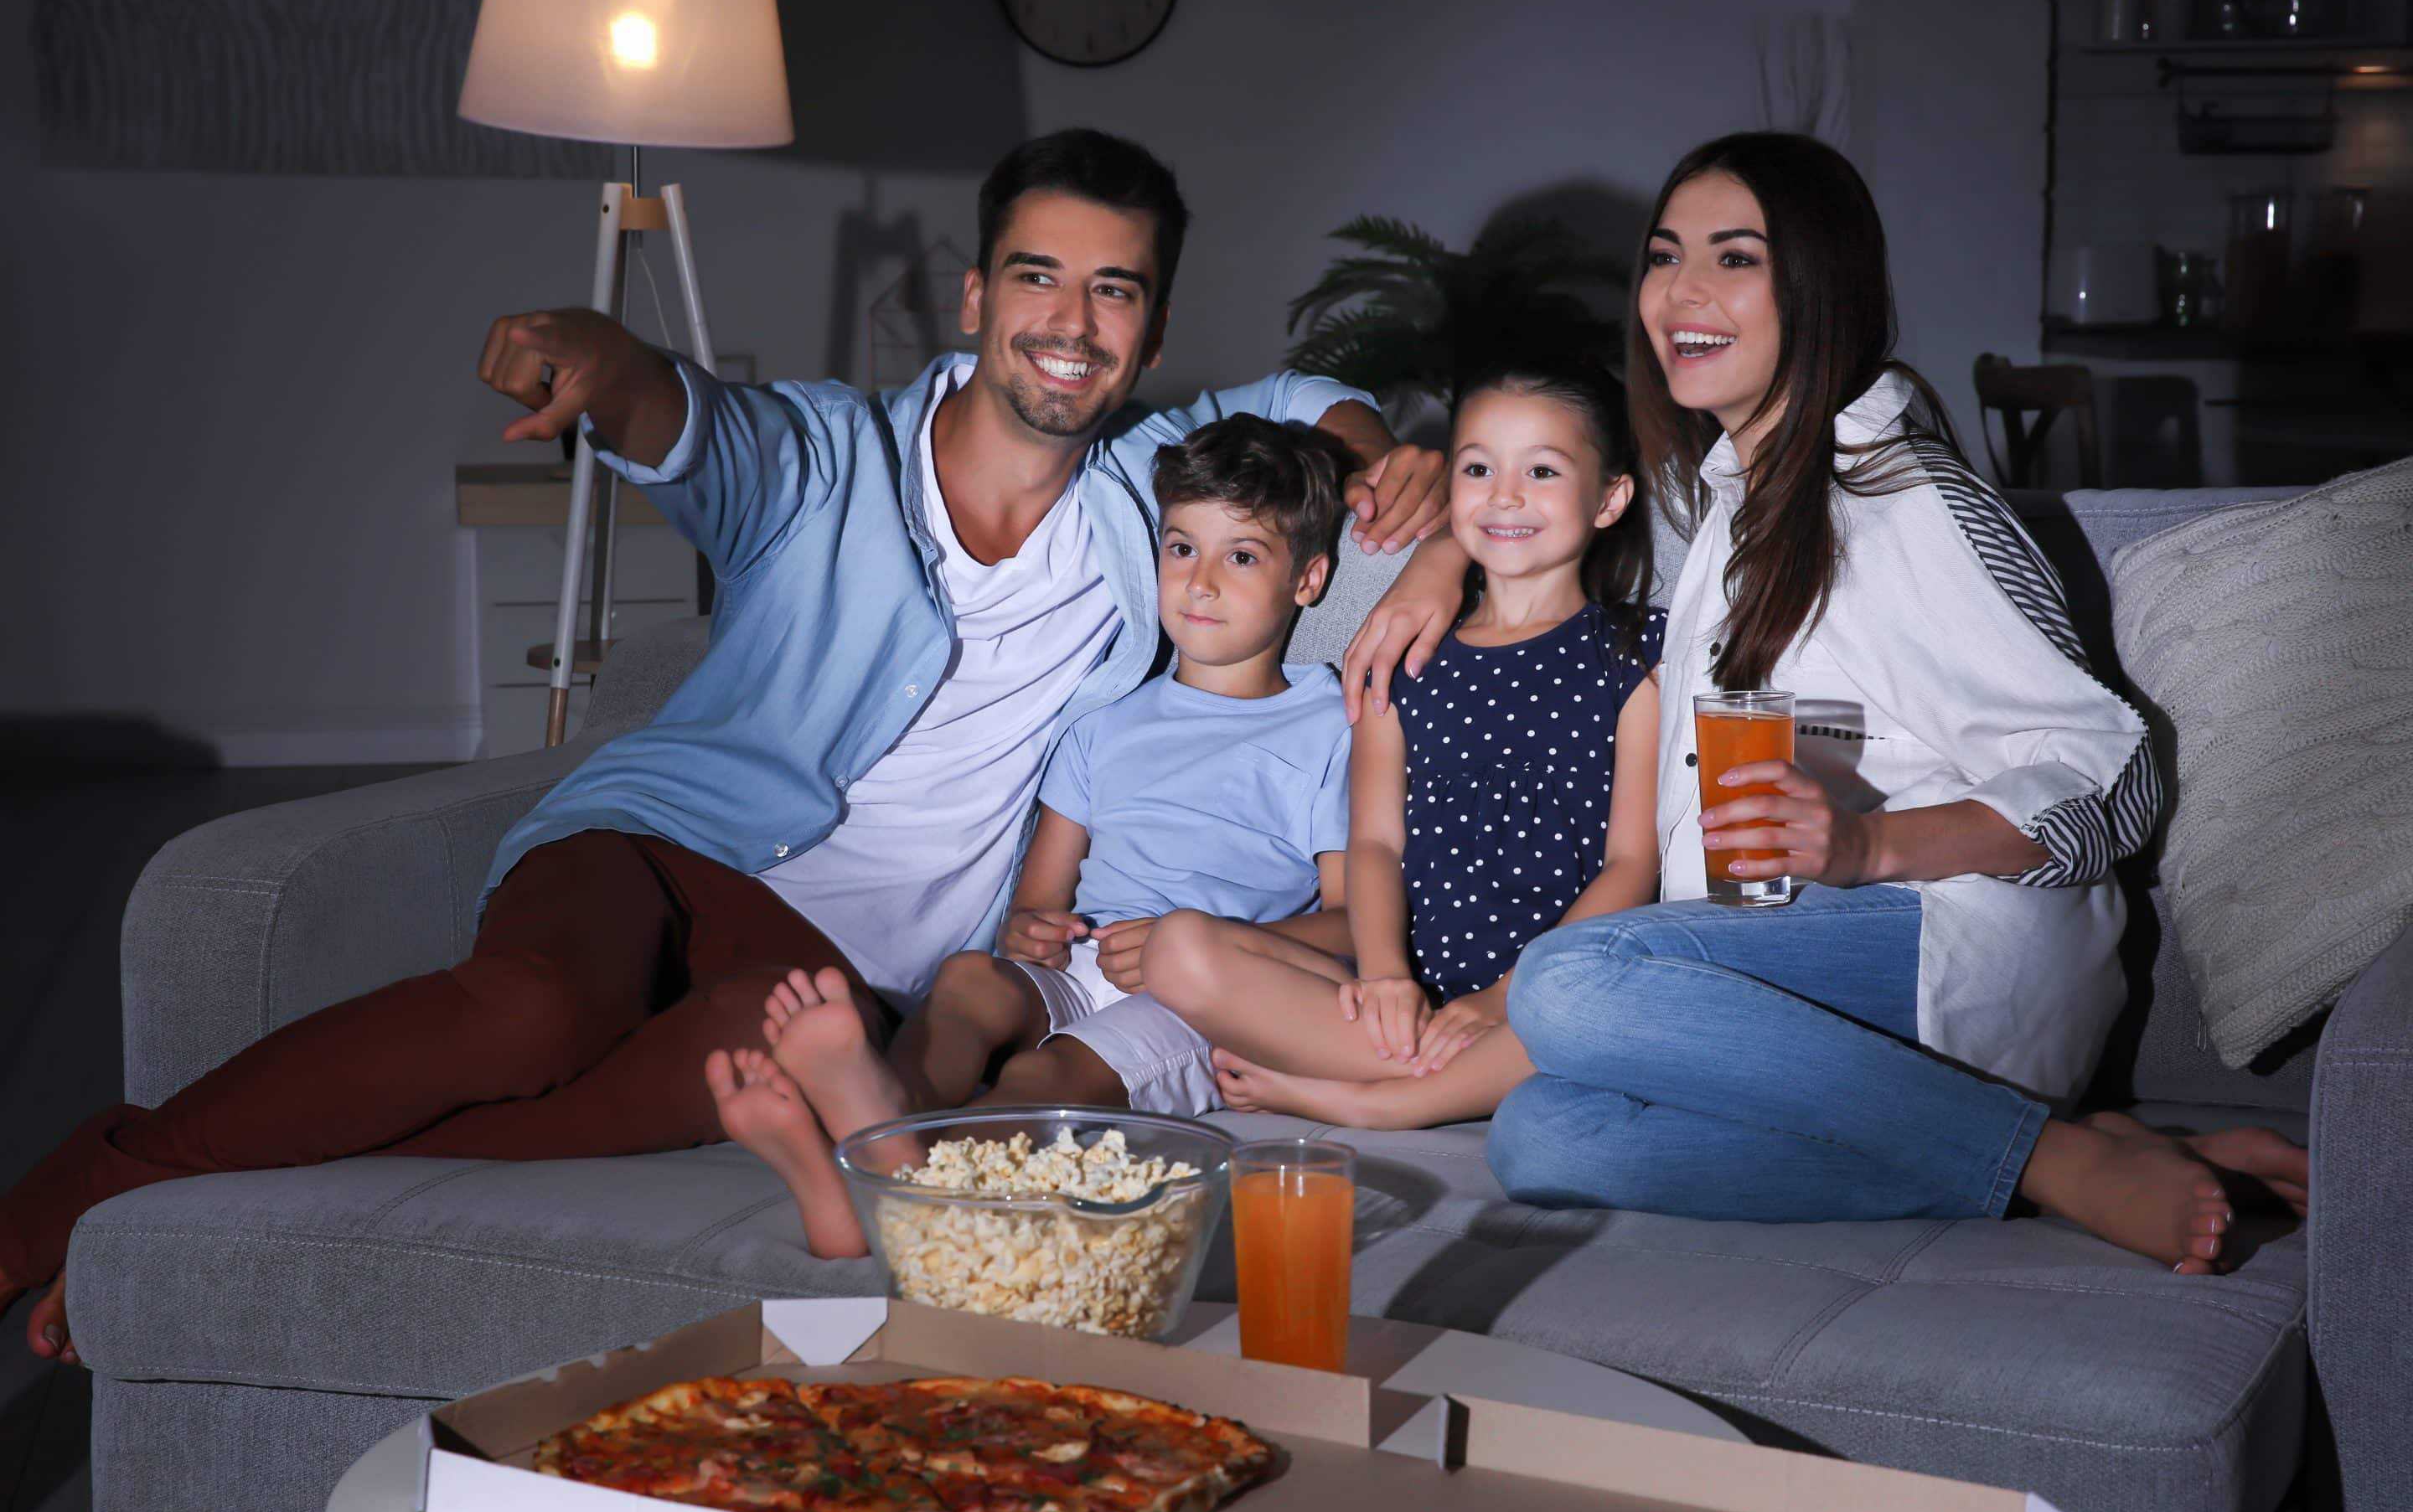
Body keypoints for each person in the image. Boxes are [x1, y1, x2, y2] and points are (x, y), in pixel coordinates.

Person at [0, 129, 1454, 1360]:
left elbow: (1286, 406)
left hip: (834, 977)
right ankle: (63, 1203)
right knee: (528, 1017)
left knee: (712, 1082)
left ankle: (193, 1209)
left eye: (1114, 289)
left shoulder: (1155, 486)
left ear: (1148, 325)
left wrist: (1389, 464)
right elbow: (697, 422)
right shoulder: (829, 453)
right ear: (975, 295)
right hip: (659, 851)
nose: (1071, 320)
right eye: (1038, 275)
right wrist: (608, 362)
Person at [1451, 132, 2306, 1272]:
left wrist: (1864, 841)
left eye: (1735, 258)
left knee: (1570, 980)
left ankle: (2053, 1160)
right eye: (1664, 257)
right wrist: (1433, 555)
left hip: (1950, 953)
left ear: (1820, 286)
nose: (1682, 293)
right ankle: (2065, 1152)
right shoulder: (1733, 501)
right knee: (1546, 1135)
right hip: (1807, 993)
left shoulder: (1901, 501)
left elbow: (2116, 775)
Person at [709, 414, 1361, 1257]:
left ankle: (869, 1185)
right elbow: (1040, 902)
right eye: (1180, 548)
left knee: (1041, 1079)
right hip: (1084, 965)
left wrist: (1205, 943)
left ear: (1307, 578)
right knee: (971, 982)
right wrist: (1030, 929)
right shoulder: (1106, 721)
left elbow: (1354, 927)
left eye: (1240, 556)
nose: (1199, 583)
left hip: (1204, 1000)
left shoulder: (1327, 725)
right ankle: (873, 1119)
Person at [1140, 355, 1666, 1132]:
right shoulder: (1403, 654)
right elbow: (1377, 844)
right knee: (1176, 947)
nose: (1506, 495)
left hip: (1553, 988)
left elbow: (1632, 865)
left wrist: (1504, 999)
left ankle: (1379, 1101)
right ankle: (1445, 1075)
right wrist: (1386, 977)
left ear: (1610, 498)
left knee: (1618, 999)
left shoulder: (1634, 655)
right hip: (1405, 996)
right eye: (1479, 467)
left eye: (1543, 471)